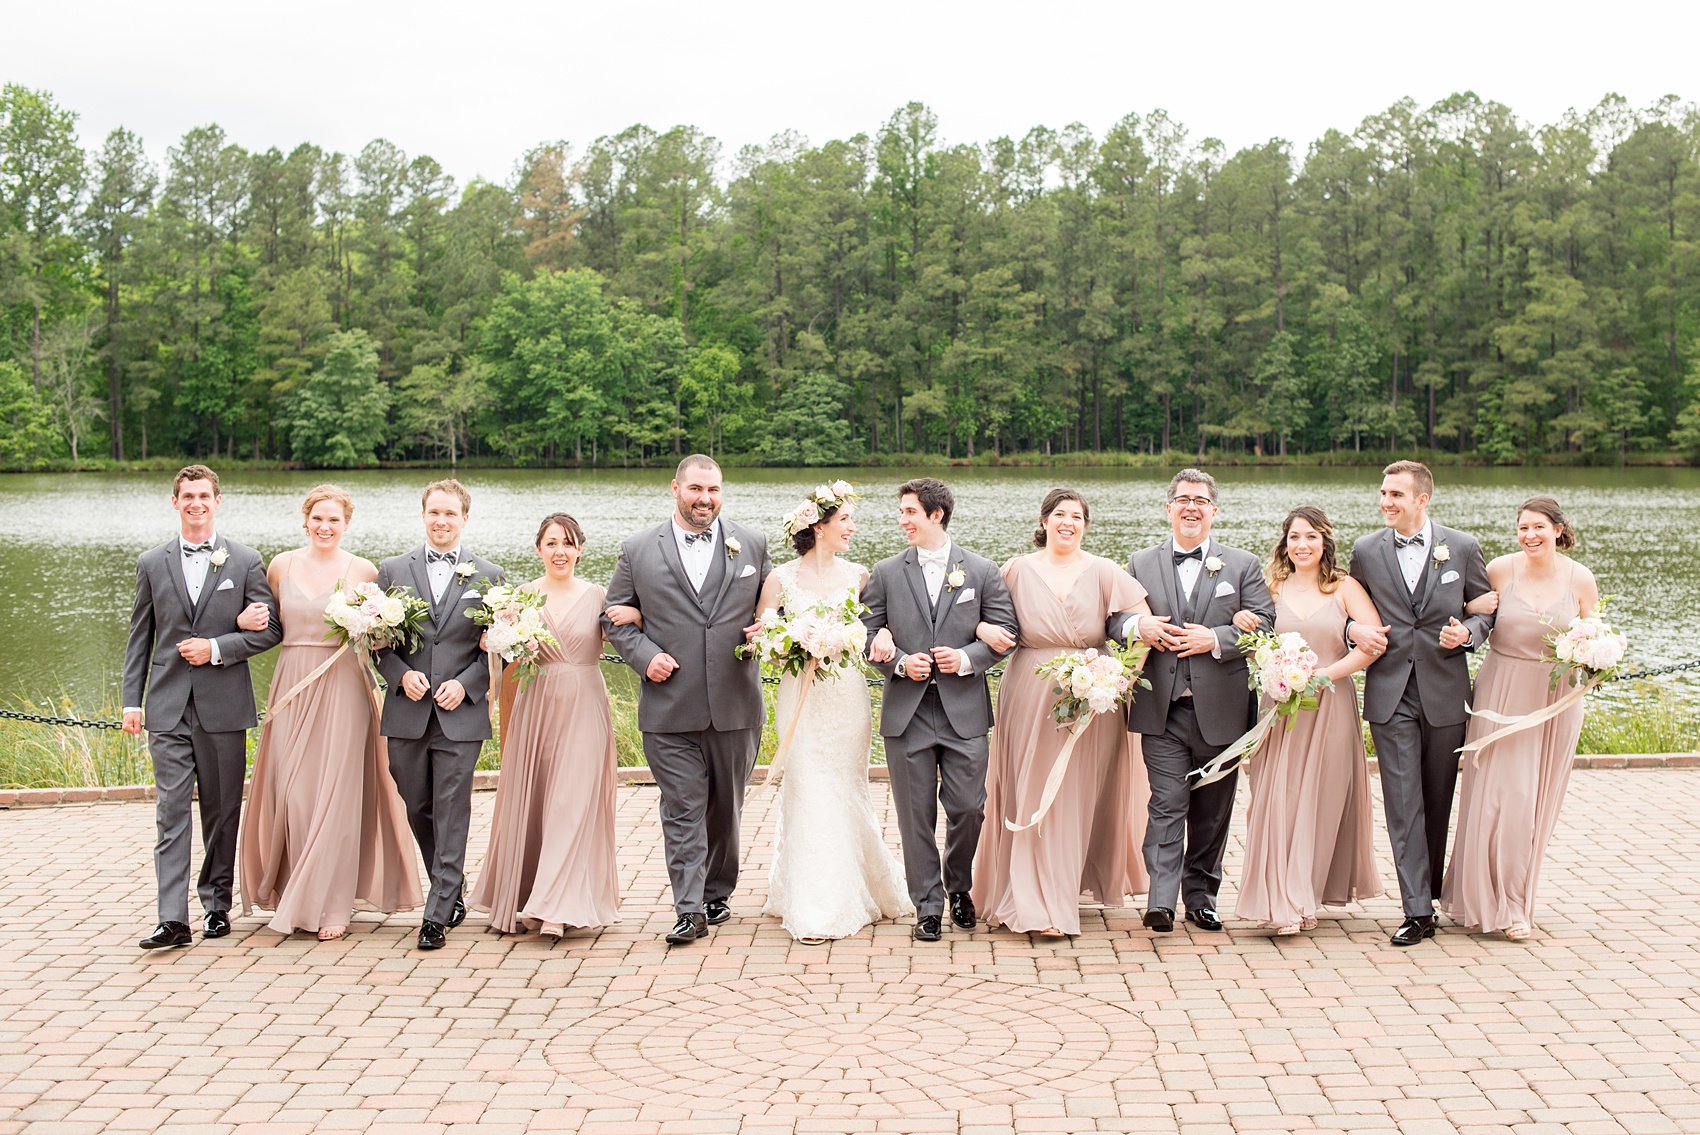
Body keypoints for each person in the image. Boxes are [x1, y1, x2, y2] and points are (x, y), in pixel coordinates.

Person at [601, 455, 773, 945]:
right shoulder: (638, 549)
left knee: (725, 810)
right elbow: (613, 618)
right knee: (682, 807)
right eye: (696, 488)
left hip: (736, 703)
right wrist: (645, 655)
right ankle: (688, 908)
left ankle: (717, 892)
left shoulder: (754, 544)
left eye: (714, 489)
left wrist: (770, 625)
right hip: (669, 704)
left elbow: (775, 603)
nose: (705, 499)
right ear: (675, 488)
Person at [240, 485, 421, 939]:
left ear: (346, 524)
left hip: (344, 685)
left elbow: (381, 637)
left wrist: (377, 631)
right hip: (294, 682)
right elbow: (267, 625)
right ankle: (299, 891)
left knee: (338, 796)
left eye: (334, 520)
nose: (325, 527)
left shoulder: (363, 569)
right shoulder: (280, 565)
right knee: (296, 794)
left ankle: (334, 904)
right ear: (306, 521)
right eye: (318, 518)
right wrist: (243, 622)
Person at [971, 488, 1153, 937]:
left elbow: (1144, 629)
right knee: (1028, 785)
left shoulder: (1106, 571)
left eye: (1076, 516)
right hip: (1028, 691)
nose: (1067, 522)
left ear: (1085, 525)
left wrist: (1120, 680)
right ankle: (1032, 898)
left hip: (1092, 698)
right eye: (1059, 514)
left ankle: (1060, 889)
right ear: (1045, 521)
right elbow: (976, 617)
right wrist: (980, 627)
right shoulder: (1014, 569)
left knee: (1075, 793)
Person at [122, 465, 282, 949]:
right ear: (175, 502)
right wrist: (132, 701)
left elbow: (271, 631)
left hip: (224, 709)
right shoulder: (152, 562)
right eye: (187, 495)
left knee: (220, 811)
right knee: (171, 812)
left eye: (204, 496)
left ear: (217, 501)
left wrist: (216, 647)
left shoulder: (246, 561)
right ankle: (172, 919)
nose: (196, 503)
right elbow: (140, 640)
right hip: (167, 708)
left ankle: (216, 905)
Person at [1116, 469, 1274, 935]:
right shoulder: (1140, 563)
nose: (1191, 507)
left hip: (1223, 712)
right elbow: (1115, 621)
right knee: (1165, 803)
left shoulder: (1242, 565)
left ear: (1213, 511)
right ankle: (1161, 901)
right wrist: (1136, 628)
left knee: (1212, 810)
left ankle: (1201, 897)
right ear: (1169, 508)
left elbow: (1265, 624)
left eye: (1200, 501)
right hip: (1161, 709)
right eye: (1183, 499)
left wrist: (1219, 638)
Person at [861, 477, 1018, 941]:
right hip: (907, 714)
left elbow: (1006, 631)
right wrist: (899, 662)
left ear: (936, 515)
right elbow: (865, 635)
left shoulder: (982, 570)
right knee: (915, 816)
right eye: (902, 511)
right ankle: (927, 905)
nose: (903, 520)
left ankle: (959, 887)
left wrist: (969, 657)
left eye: (910, 511)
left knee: (969, 808)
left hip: (964, 712)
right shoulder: (887, 571)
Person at [754, 484, 913, 942]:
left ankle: (859, 885)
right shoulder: (780, 578)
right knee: (806, 786)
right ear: (818, 527)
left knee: (845, 785)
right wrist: (792, 644)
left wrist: (875, 639)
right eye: (844, 519)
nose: (852, 527)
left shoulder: (860, 576)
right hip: (798, 694)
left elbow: (878, 626)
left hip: (845, 696)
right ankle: (815, 902)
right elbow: (762, 637)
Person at [1347, 460, 1494, 946]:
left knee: (1437, 798)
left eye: (1396, 495)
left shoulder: (1464, 547)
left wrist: (1466, 635)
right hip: (1390, 693)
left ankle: (1427, 892)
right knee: (1403, 800)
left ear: (1422, 499)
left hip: (1446, 692)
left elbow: (1485, 609)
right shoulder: (1366, 551)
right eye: (1383, 494)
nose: (1386, 502)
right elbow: (1348, 608)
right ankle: (1416, 910)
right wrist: (1353, 632)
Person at [1440, 497, 1597, 940]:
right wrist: (1467, 619)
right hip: (1502, 691)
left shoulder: (1581, 579)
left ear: (1559, 530)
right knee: (1502, 799)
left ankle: (1516, 900)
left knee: (1533, 805)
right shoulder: (1499, 572)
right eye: (1522, 528)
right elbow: (1470, 615)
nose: (1529, 535)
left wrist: (1596, 663)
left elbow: (1594, 633)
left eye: (1539, 528)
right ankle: (1496, 902)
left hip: (1556, 700)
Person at [1230, 506, 1384, 935]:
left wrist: (1322, 677)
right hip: (1279, 708)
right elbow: (1252, 638)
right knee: (1275, 799)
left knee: (1319, 799)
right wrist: (1241, 619)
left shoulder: (1344, 587)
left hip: (1329, 705)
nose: (1302, 545)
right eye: (1295, 537)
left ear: (1325, 542)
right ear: (1285, 542)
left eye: (1311, 537)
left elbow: (1373, 644)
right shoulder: (1270, 586)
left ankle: (1302, 897)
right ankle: (1278, 896)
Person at [472, 513, 621, 937]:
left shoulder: (598, 597)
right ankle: (531, 896)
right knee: (539, 802)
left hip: (584, 705)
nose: (560, 552)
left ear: (580, 550)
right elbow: (503, 659)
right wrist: (494, 641)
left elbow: (629, 638)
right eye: (552, 543)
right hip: (535, 706)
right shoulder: (520, 598)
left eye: (569, 543)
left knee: (571, 804)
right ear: (539, 549)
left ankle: (557, 907)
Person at [374, 479, 506, 951]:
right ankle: (448, 881)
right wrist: (399, 674)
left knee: (452, 806)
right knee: (417, 803)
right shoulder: (391, 571)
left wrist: (467, 684)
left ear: (464, 518)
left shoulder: (489, 576)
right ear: (423, 514)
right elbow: (377, 644)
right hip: (406, 711)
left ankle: (439, 908)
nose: (441, 521)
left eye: (450, 514)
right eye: (434, 512)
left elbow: (500, 650)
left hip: (460, 714)